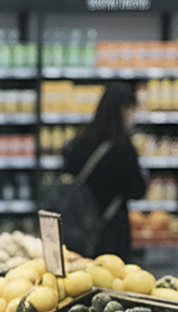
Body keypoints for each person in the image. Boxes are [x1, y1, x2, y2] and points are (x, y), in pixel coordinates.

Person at [62, 82, 147, 258]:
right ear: (124, 110)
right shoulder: (123, 148)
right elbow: (137, 190)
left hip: (78, 229)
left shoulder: (77, 143)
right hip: (111, 231)